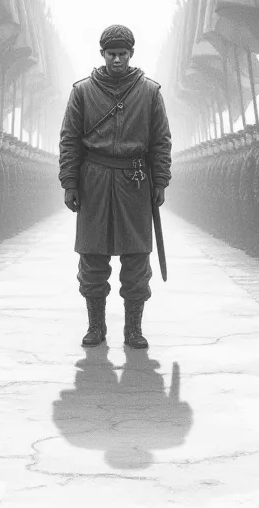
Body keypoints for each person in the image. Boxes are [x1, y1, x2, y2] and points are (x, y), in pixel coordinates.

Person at [59, 25, 172, 349]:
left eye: (123, 54)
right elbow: (69, 139)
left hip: (135, 180)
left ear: (132, 54)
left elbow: (161, 141)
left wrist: (160, 179)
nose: (117, 60)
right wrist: (70, 182)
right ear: (102, 55)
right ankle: (96, 327)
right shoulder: (82, 92)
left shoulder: (149, 92)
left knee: (137, 259)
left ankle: (133, 330)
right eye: (112, 54)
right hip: (93, 180)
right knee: (92, 259)